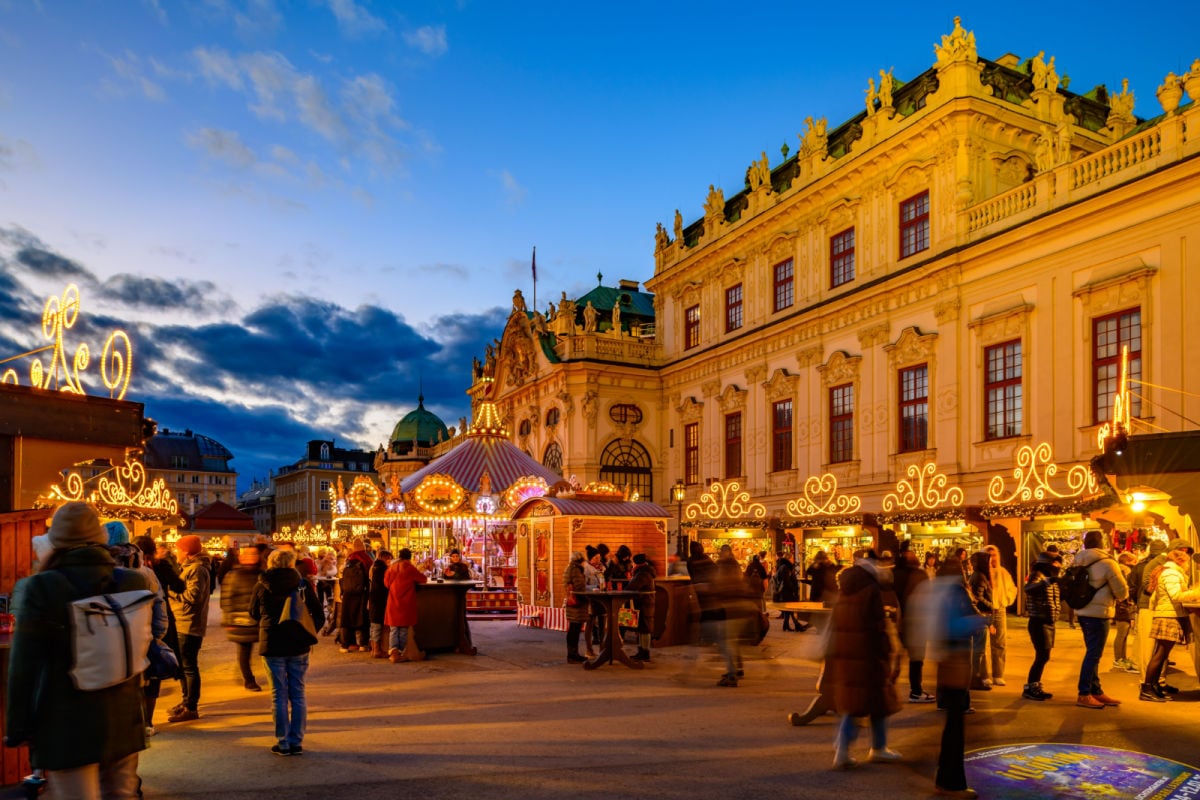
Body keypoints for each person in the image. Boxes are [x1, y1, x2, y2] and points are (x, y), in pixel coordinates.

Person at [5, 501, 151, 797]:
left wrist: (18, 727)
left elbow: (24, 664)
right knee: (122, 794)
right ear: (99, 536)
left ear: (56, 539)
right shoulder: (132, 580)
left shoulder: (43, 587)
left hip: (66, 721)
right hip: (123, 715)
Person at [828, 549, 902, 770]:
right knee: (875, 701)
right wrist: (888, 651)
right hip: (869, 655)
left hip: (849, 653)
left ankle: (844, 750)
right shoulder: (872, 590)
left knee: (857, 702)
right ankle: (877, 748)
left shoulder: (846, 589)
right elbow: (878, 626)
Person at [249, 547, 324, 756]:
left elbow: (253, 613)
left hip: (272, 643)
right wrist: (308, 632)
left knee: (278, 694)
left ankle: (282, 743)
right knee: (298, 692)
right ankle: (296, 741)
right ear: (292, 564)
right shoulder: (302, 585)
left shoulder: (262, 585)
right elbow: (319, 614)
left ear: (271, 563)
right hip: (298, 644)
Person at [927, 555, 986, 799]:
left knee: (953, 723)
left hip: (945, 657)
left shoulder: (937, 590)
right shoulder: (955, 592)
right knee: (954, 726)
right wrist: (981, 619)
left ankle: (947, 779)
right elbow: (953, 625)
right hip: (955, 657)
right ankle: (950, 783)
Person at [1072, 528, 1128, 709]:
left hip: (1082, 612)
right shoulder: (1108, 563)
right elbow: (1121, 592)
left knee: (1092, 653)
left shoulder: (1077, 560)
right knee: (1093, 655)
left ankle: (1096, 690)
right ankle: (1084, 693)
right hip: (1099, 614)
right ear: (1102, 542)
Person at [1140, 539, 1199, 701]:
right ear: (1180, 560)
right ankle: (1147, 689)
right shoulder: (1172, 573)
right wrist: (1195, 593)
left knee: (1162, 654)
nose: (1188, 564)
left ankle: (1153, 686)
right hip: (1169, 616)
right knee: (1160, 654)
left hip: (1169, 614)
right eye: (1186, 559)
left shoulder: (1169, 571)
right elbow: (1176, 595)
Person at [168, 534, 211, 723]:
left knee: (189, 666)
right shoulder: (189, 568)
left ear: (186, 551)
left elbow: (193, 597)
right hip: (182, 621)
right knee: (184, 666)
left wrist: (169, 592)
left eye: (178, 548)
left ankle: (191, 707)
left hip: (189, 624)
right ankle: (186, 701)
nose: (176, 552)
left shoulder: (197, 570)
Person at [221, 544, 266, 691]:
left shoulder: (263, 574)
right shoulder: (233, 575)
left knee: (267, 649)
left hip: (261, 619)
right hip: (241, 620)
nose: (251, 557)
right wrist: (228, 620)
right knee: (244, 651)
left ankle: (274, 675)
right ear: (241, 557)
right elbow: (227, 599)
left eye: (254, 554)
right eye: (247, 554)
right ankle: (249, 679)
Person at [894, 548, 934, 702]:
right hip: (915, 622)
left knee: (895, 658)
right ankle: (916, 691)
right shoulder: (919, 575)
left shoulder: (892, 574)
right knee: (916, 659)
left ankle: (887, 689)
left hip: (898, 623)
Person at [1021, 552, 1061, 701]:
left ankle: (1035, 685)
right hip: (1039, 620)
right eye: (1055, 563)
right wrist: (1047, 582)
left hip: (1049, 620)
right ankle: (1031, 687)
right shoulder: (1037, 575)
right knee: (1042, 655)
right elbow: (1028, 588)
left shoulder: (1052, 579)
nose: (1057, 566)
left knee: (1044, 656)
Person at [383, 548, 428, 663]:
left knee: (393, 628)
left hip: (393, 601)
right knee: (403, 628)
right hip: (405, 602)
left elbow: (386, 583)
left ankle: (393, 652)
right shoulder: (409, 568)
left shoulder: (392, 568)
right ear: (409, 557)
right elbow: (423, 579)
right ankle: (401, 652)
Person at [984, 544, 1017, 686]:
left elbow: (1012, 589)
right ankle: (983, 674)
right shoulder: (982, 573)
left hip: (999, 610)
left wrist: (1005, 601)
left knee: (1000, 643)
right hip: (984, 611)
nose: (993, 558)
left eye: (995, 555)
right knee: (982, 645)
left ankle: (998, 674)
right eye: (990, 555)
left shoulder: (1003, 572)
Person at [964, 551, 994, 691]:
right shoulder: (980, 577)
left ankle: (977, 677)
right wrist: (991, 605)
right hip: (980, 616)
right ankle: (975, 679)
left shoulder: (976, 576)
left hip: (978, 616)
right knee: (978, 651)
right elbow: (978, 597)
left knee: (978, 650)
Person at [338, 538, 372, 653]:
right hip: (362, 592)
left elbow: (342, 576)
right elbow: (370, 576)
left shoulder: (349, 559)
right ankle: (363, 644)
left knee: (347, 618)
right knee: (362, 617)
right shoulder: (366, 558)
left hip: (348, 593)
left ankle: (347, 644)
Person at [625, 554, 656, 662]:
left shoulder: (643, 573)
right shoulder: (645, 571)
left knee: (644, 628)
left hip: (644, 603)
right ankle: (642, 651)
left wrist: (625, 590)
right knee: (642, 628)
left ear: (636, 563)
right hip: (645, 602)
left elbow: (632, 586)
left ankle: (644, 653)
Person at [1112, 551, 1139, 673]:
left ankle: (1121, 657)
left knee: (1124, 633)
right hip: (1123, 606)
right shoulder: (1125, 571)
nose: (1136, 563)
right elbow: (1126, 589)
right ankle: (1118, 659)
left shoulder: (1121, 570)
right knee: (1122, 633)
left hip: (1122, 605)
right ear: (1127, 561)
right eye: (1133, 561)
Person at [562, 551, 589, 663]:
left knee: (573, 629)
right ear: (580, 560)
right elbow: (579, 588)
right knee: (575, 629)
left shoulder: (570, 568)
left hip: (571, 602)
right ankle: (573, 655)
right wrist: (587, 599)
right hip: (577, 604)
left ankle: (573, 654)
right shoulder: (576, 570)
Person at [368, 550, 392, 659]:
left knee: (374, 625)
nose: (389, 561)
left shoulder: (374, 567)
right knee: (377, 624)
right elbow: (385, 584)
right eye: (388, 558)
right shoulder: (382, 569)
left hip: (373, 598)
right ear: (383, 557)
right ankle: (377, 650)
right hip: (379, 599)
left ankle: (374, 649)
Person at [772, 550, 803, 632]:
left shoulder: (783, 566)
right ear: (789, 558)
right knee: (790, 608)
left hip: (786, 591)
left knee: (788, 609)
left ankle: (786, 625)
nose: (793, 560)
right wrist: (793, 589)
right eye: (792, 558)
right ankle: (796, 624)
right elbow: (786, 581)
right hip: (787, 592)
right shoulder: (785, 567)